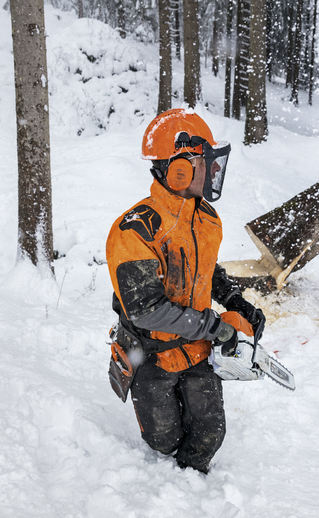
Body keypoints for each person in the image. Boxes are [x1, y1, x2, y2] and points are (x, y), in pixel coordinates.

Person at [105, 109, 266, 473]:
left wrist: (235, 301)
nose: (213, 170)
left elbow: (207, 268)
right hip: (150, 353)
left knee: (209, 434)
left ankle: (194, 494)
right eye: (205, 162)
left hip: (195, 349)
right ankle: (163, 483)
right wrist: (217, 328)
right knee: (162, 439)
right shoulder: (136, 230)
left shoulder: (205, 217)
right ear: (180, 170)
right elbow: (146, 309)